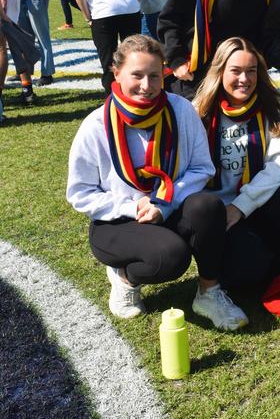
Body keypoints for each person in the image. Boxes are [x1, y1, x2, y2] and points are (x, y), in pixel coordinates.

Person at [66, 34, 249, 331]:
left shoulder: (180, 110)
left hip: (167, 208)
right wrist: (132, 204)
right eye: (136, 75)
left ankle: (209, 292)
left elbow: (203, 168)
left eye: (154, 76)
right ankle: (124, 277)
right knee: (170, 258)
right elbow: (79, 193)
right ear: (117, 73)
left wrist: (166, 201)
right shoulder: (96, 124)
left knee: (208, 206)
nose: (146, 86)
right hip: (118, 222)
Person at [193, 37, 280, 292]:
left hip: (256, 204)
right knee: (246, 277)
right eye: (235, 71)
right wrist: (223, 212)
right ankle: (256, 254)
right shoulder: (199, 112)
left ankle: (272, 247)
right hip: (219, 212)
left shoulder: (273, 108)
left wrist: (241, 206)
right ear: (220, 71)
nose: (244, 79)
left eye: (251, 71)